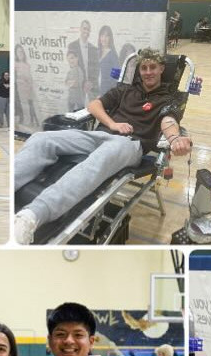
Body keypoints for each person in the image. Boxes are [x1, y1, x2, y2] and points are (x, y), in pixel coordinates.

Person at [13, 48, 192, 244]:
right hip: (100, 135)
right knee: (41, 139)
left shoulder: (168, 99)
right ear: (139, 71)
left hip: (130, 144)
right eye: (144, 68)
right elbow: (94, 106)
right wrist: (113, 124)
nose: (148, 72)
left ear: (161, 69)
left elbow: (168, 120)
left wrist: (175, 139)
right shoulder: (125, 90)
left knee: (100, 158)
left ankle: (32, 216)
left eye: (153, 68)